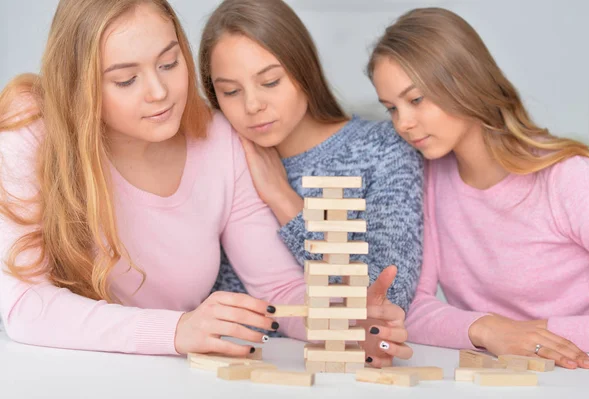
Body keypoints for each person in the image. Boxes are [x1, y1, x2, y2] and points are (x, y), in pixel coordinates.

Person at [0, 0, 403, 363]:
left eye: (169, 63)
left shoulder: (220, 140)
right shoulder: (32, 127)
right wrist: (176, 330)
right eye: (126, 80)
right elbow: (23, 305)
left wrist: (344, 325)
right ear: (79, 86)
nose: (159, 92)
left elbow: (277, 291)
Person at [367, 7, 589, 369]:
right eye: (391, 109)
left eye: (415, 100)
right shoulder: (427, 179)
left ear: (464, 82)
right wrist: (489, 330)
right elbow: (409, 307)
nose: (404, 123)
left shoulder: (569, 179)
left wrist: (531, 333)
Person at [199, 0, 424, 347]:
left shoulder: (382, 150)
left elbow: (385, 295)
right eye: (230, 91)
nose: (252, 105)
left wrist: (283, 198)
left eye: (270, 82)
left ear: (305, 70)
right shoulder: (222, 156)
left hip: (337, 368)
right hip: (229, 365)